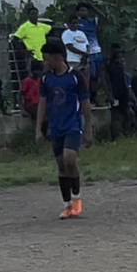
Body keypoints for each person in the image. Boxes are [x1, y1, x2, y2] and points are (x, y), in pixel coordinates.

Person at [37, 40, 91, 217]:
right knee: (61, 165)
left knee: (69, 159)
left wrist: (89, 129)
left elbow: (85, 103)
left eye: (47, 59)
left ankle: (77, 201)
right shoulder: (46, 79)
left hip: (73, 125)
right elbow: (42, 104)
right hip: (55, 127)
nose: (45, 63)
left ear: (58, 58)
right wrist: (39, 129)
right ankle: (67, 205)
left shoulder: (76, 77)